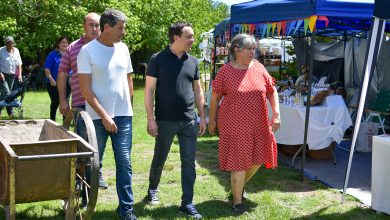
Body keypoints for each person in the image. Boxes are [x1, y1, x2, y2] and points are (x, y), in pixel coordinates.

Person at [208, 34, 281, 215]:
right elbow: (215, 97)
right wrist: (212, 119)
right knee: (239, 162)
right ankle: (237, 202)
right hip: (233, 123)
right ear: (236, 50)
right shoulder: (225, 71)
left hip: (259, 123)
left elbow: (272, 91)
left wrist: (277, 114)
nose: (252, 52)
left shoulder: (259, 68)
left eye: (253, 49)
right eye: (249, 48)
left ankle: (237, 187)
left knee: (257, 160)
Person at [78, 9, 136, 220]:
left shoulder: (124, 48)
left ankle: (127, 210)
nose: (124, 32)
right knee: (93, 164)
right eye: (120, 28)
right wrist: (104, 115)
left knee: (125, 163)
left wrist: (128, 106)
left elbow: (128, 80)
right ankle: (84, 201)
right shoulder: (87, 51)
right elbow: (85, 89)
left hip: (123, 117)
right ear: (107, 27)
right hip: (96, 118)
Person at [144, 21, 206, 219]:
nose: (192, 40)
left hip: (189, 120)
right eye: (189, 36)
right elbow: (149, 90)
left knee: (189, 162)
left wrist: (202, 117)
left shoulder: (193, 61)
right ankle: (152, 189)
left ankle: (187, 203)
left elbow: (198, 90)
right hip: (165, 120)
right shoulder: (157, 59)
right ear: (176, 37)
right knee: (160, 157)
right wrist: (150, 119)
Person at [57, 12, 109, 189]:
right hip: (81, 103)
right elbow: (62, 74)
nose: (95, 29)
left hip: (104, 104)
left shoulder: (107, 44)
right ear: (84, 27)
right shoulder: (72, 48)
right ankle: (81, 177)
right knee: (83, 142)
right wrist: (63, 100)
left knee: (99, 142)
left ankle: (96, 171)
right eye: (91, 25)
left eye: (98, 25)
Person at [44, 36, 71, 121]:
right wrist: (51, 79)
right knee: (55, 102)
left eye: (66, 42)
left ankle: (65, 122)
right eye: (62, 42)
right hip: (54, 83)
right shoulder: (52, 54)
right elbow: (47, 69)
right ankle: (52, 119)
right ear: (58, 44)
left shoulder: (70, 54)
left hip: (67, 82)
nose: (65, 44)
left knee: (66, 102)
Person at [0, 36, 22, 117]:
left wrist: (19, 75)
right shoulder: (1, 50)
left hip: (12, 75)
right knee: (8, 93)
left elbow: (19, 64)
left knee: (4, 94)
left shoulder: (16, 50)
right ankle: (11, 112)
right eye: (7, 44)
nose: (9, 46)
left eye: (10, 44)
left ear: (13, 44)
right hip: (2, 75)